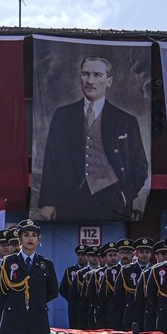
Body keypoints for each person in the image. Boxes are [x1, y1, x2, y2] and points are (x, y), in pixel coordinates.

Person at [36, 56, 149, 221]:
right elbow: (51, 160)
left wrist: (124, 196)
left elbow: (140, 166)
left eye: (97, 75)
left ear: (109, 81)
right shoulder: (63, 115)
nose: (90, 80)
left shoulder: (125, 121)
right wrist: (48, 202)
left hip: (112, 201)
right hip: (69, 200)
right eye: (85, 74)